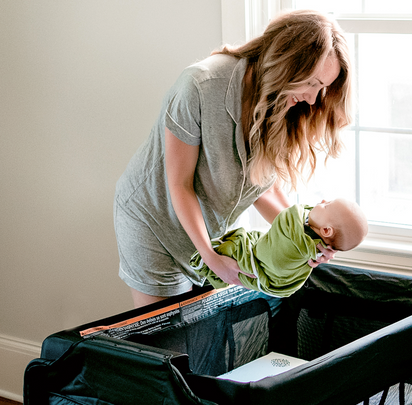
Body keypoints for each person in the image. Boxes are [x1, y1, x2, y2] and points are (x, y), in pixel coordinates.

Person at [114, 10, 354, 308]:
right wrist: (210, 256)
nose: (314, 98)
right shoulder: (199, 85)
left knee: (203, 338)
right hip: (154, 222)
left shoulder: (281, 103)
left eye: (324, 88)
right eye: (312, 83)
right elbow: (179, 184)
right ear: (287, 63)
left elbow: (260, 186)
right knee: (169, 341)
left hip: (206, 228)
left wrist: (305, 238)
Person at [190, 199, 368, 297]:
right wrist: (210, 258)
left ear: (326, 230)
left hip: (260, 267)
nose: (321, 201)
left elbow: (286, 216)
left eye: (326, 205)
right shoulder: (307, 239)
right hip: (193, 236)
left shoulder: (303, 245)